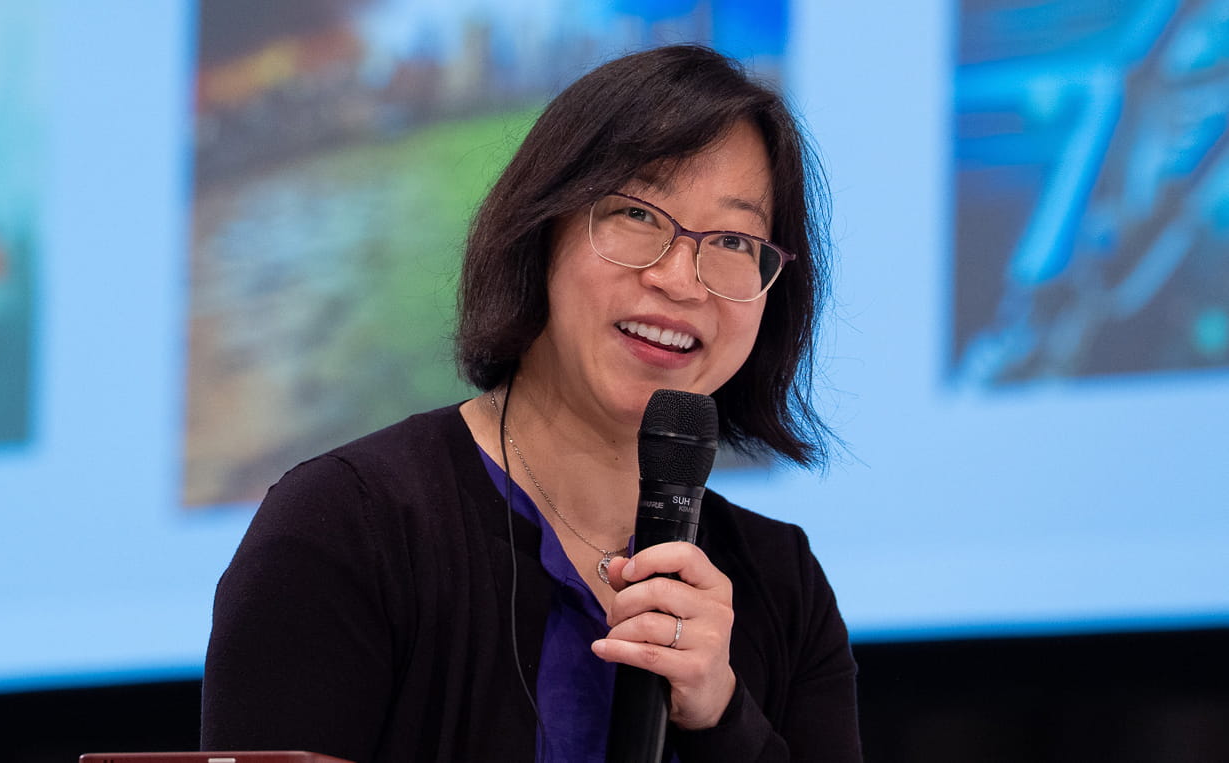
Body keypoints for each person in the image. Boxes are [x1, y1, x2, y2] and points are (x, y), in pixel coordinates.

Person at [201, 44, 861, 762]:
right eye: (637, 213)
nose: (681, 279)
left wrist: (724, 718)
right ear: (542, 227)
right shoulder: (343, 529)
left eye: (733, 238)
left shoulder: (781, 582)